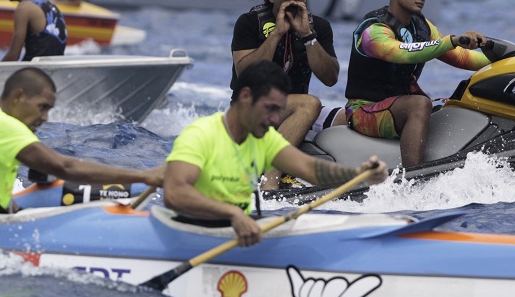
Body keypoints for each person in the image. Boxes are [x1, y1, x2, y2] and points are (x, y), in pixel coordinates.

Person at [163, 61, 388, 247]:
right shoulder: (201, 134)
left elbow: (312, 170)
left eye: (279, 111)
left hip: (238, 233)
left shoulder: (263, 138)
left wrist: (359, 174)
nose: (274, 120)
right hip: (193, 233)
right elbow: (174, 194)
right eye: (270, 109)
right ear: (245, 96)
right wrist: (233, 214)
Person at [0, 67, 167, 213]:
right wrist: (145, 176)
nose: (44, 118)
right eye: (42, 108)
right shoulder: (3, 125)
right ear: (18, 96)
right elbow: (66, 167)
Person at [344, 0, 490, 168]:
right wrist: (451, 41)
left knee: (460, 102)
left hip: (397, 106)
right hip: (364, 111)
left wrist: (513, 59)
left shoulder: (422, 26)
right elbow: (401, 53)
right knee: (420, 104)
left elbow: (462, 58)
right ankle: (413, 178)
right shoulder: (373, 30)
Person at [230, 0, 342, 152]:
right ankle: (270, 175)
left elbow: (330, 79)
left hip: (295, 109)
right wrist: (276, 34)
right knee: (310, 103)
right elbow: (245, 74)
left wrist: (308, 36)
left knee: (354, 118)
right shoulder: (250, 22)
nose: (292, 0)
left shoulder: (319, 27)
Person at [2, 0, 67, 61]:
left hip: (35, 72)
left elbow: (13, 56)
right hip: (54, 71)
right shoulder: (51, 5)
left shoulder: (24, 8)